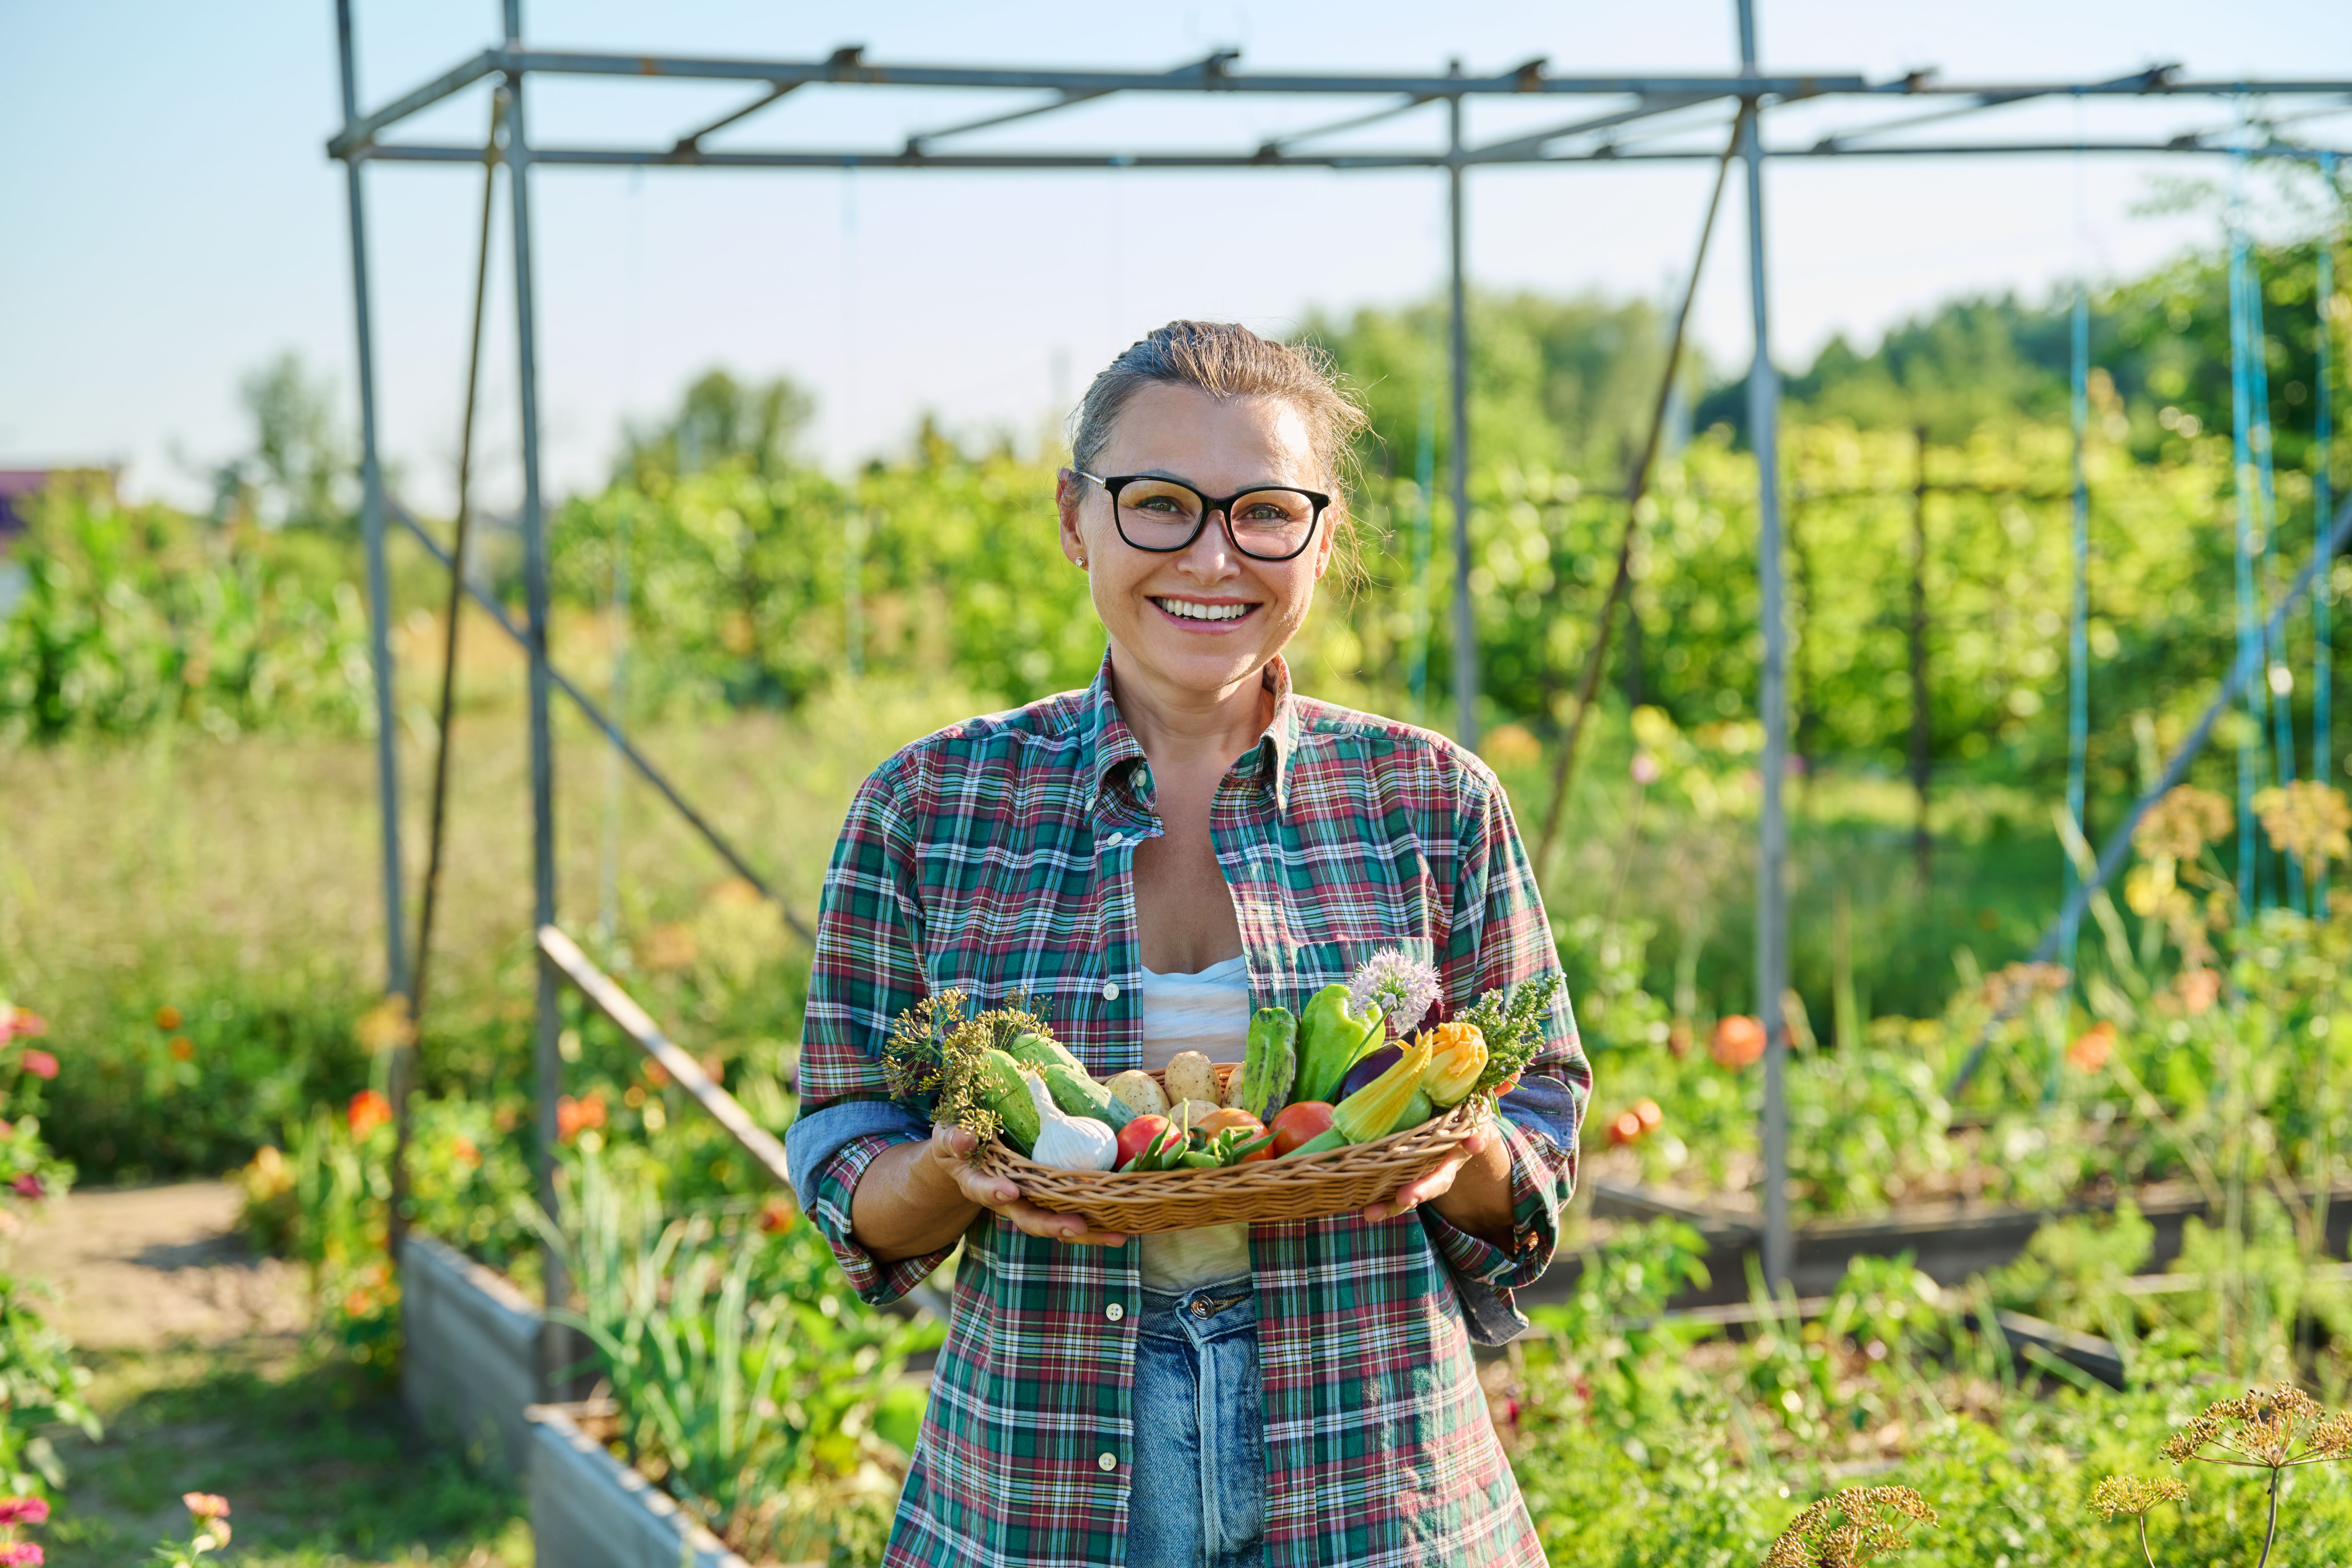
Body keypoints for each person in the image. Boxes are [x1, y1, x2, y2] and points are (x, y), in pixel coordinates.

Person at [785, 320, 1587, 1568]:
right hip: (1042, 1483)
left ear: (1322, 537)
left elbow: (1540, 1133)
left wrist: (1459, 1141)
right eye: (1160, 503)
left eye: (1268, 512)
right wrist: (947, 1174)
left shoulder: (1431, 800)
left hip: (1376, 1479)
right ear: (1075, 519)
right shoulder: (930, 808)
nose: (1214, 556)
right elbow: (845, 1150)